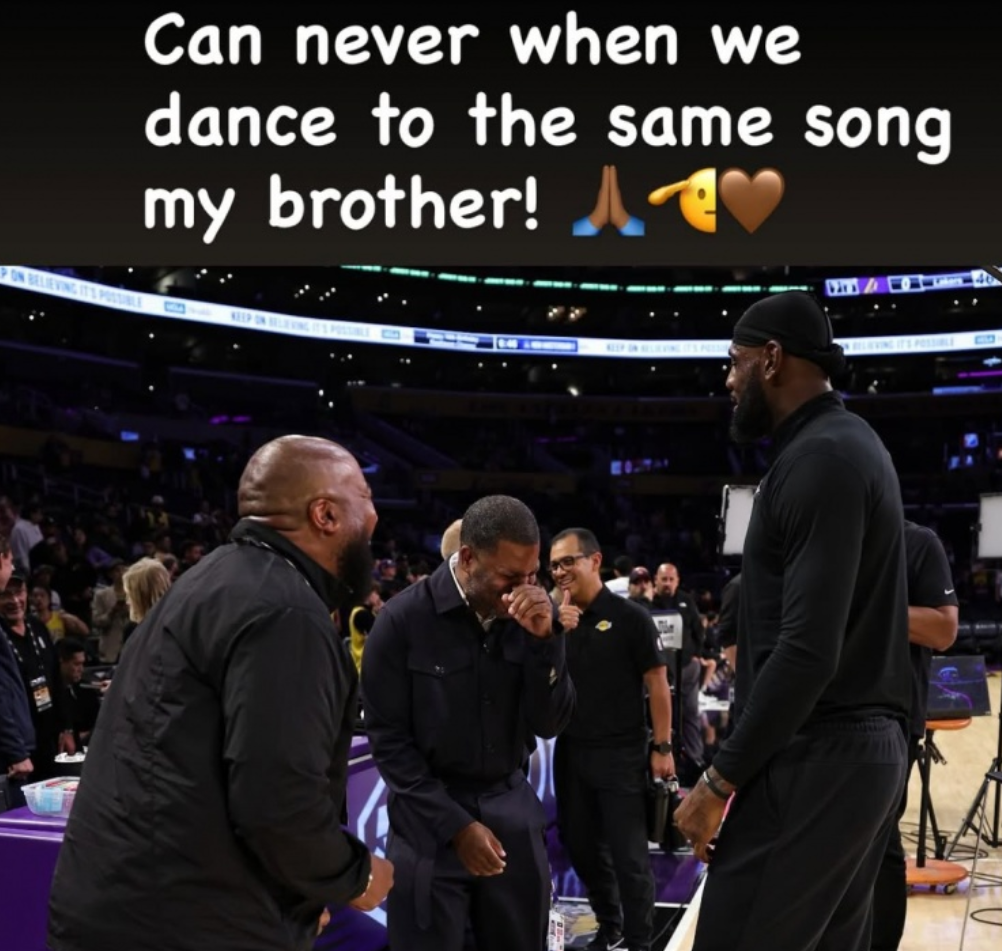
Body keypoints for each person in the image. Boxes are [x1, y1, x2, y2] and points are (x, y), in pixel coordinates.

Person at [47, 435, 394, 951]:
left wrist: (292, 893)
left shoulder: (205, 582)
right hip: (182, 923)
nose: (375, 516)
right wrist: (355, 875)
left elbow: (193, 774)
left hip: (124, 904)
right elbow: (277, 803)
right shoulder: (285, 612)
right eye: (364, 497)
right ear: (325, 514)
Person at [675, 291, 911, 951]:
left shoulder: (821, 459)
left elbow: (807, 651)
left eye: (735, 362)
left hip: (819, 754)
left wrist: (718, 780)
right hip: (853, 755)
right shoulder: (845, 445)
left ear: (772, 359)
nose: (729, 380)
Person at [361, 494, 575, 951]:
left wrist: (546, 643)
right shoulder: (400, 622)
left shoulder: (535, 619)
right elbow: (390, 744)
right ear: (468, 558)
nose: (522, 590)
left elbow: (549, 723)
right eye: (509, 577)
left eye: (532, 575)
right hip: (427, 824)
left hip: (511, 811)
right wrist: (456, 826)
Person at [549, 527, 674, 951]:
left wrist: (662, 747)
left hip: (622, 753)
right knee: (579, 847)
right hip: (571, 751)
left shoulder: (631, 617)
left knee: (629, 857)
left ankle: (639, 942)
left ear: (595, 561)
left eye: (568, 561)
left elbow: (657, 684)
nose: (560, 571)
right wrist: (553, 633)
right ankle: (610, 923)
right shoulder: (555, 621)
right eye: (554, 565)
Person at [870, 520, 958, 951]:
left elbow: (944, 630)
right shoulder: (829, 536)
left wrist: (867, 608)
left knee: (880, 840)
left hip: (892, 719)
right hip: (823, 714)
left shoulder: (918, 542)